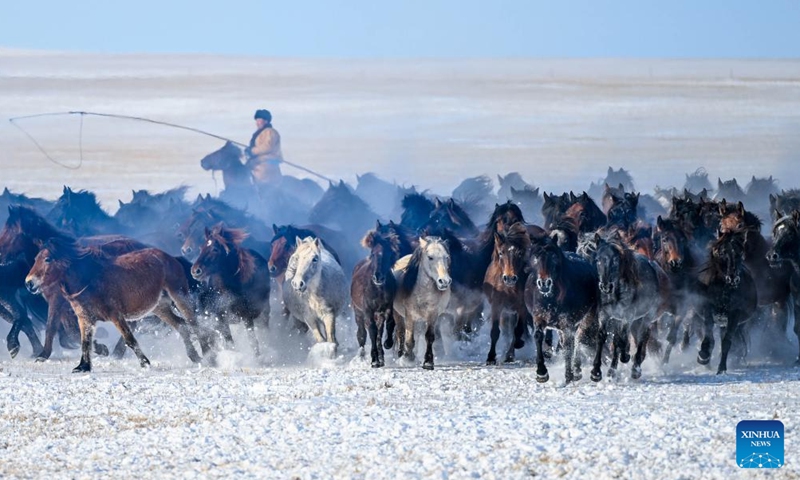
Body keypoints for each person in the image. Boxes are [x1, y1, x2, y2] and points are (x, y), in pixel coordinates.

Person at [245, 109, 283, 186]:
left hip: (268, 162)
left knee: (259, 177)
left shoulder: (270, 132)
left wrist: (252, 151)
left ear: (266, 121)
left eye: (259, 120)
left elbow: (267, 147)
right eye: (257, 120)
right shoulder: (261, 132)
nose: (257, 123)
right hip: (259, 161)